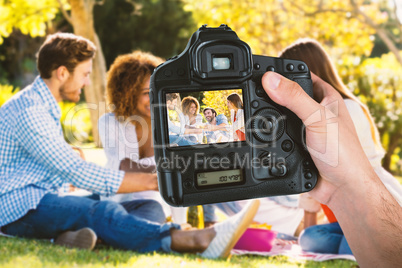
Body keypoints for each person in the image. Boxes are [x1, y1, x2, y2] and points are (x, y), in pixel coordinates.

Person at [0, 32, 262, 258]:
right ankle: (194, 240)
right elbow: (77, 173)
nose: (87, 82)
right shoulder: (31, 110)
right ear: (62, 73)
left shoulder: (40, 105)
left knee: (128, 208)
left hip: (41, 199)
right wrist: (155, 181)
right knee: (102, 210)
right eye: (85, 74)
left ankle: (69, 237)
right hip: (20, 208)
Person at [261, 67, 402, 267]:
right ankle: (350, 244)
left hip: (386, 207)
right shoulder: (311, 125)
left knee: (348, 247)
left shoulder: (345, 109)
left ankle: (352, 245)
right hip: (344, 215)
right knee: (310, 238)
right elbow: (314, 197)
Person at [97, 51, 167, 223]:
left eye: (158, 90)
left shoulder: (171, 125)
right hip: (118, 202)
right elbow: (122, 164)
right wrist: (168, 174)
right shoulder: (109, 122)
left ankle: (102, 232)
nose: (154, 98)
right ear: (127, 93)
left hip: (153, 206)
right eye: (146, 92)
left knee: (152, 212)